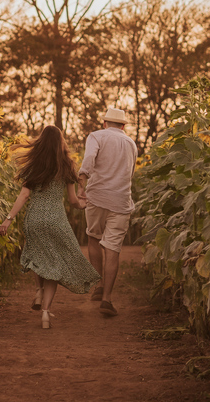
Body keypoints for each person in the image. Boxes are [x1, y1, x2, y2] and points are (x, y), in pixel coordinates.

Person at [0, 125, 100, 329]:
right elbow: (72, 201)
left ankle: (38, 290)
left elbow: (24, 195)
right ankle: (45, 313)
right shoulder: (66, 166)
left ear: (41, 141)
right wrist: (83, 204)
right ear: (61, 142)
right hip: (56, 221)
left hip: (34, 219)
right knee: (53, 267)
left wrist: (8, 218)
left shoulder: (35, 165)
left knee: (38, 255)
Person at [78, 107, 137, 318]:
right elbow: (130, 173)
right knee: (113, 247)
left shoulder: (96, 136)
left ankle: (99, 285)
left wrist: (81, 183)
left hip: (97, 197)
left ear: (105, 123)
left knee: (93, 237)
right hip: (121, 200)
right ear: (123, 126)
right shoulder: (131, 143)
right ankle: (107, 299)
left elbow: (89, 159)